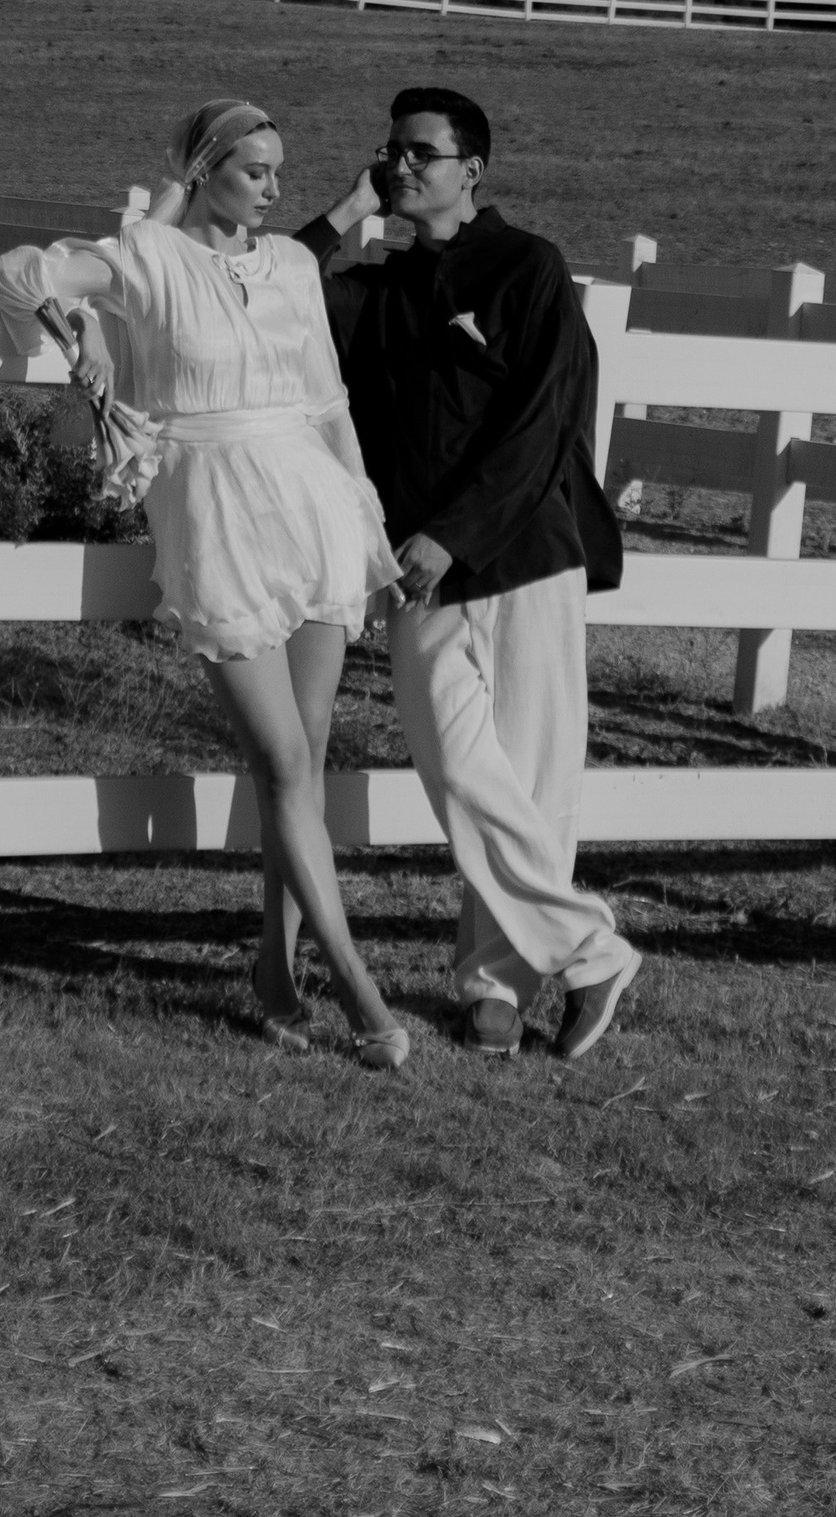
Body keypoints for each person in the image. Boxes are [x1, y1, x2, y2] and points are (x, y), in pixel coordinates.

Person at [0, 98, 411, 1069]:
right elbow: (11, 271)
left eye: (277, 169)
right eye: (254, 167)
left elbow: (330, 404)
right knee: (285, 764)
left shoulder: (295, 264)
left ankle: (274, 969)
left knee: (299, 764)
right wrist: (71, 326)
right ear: (207, 168)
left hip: (313, 508)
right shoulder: (150, 257)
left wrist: (370, 517)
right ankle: (354, 981)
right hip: (213, 510)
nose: (272, 184)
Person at [294, 85, 642, 1063]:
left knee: (535, 780)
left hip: (525, 552)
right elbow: (263, 278)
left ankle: (494, 989)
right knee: (456, 769)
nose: (401, 164)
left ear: (471, 168)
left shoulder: (527, 266)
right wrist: (345, 211)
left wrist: (452, 531)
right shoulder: (374, 289)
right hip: (417, 568)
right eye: (391, 151)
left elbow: (542, 424)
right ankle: (590, 947)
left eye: (421, 153)